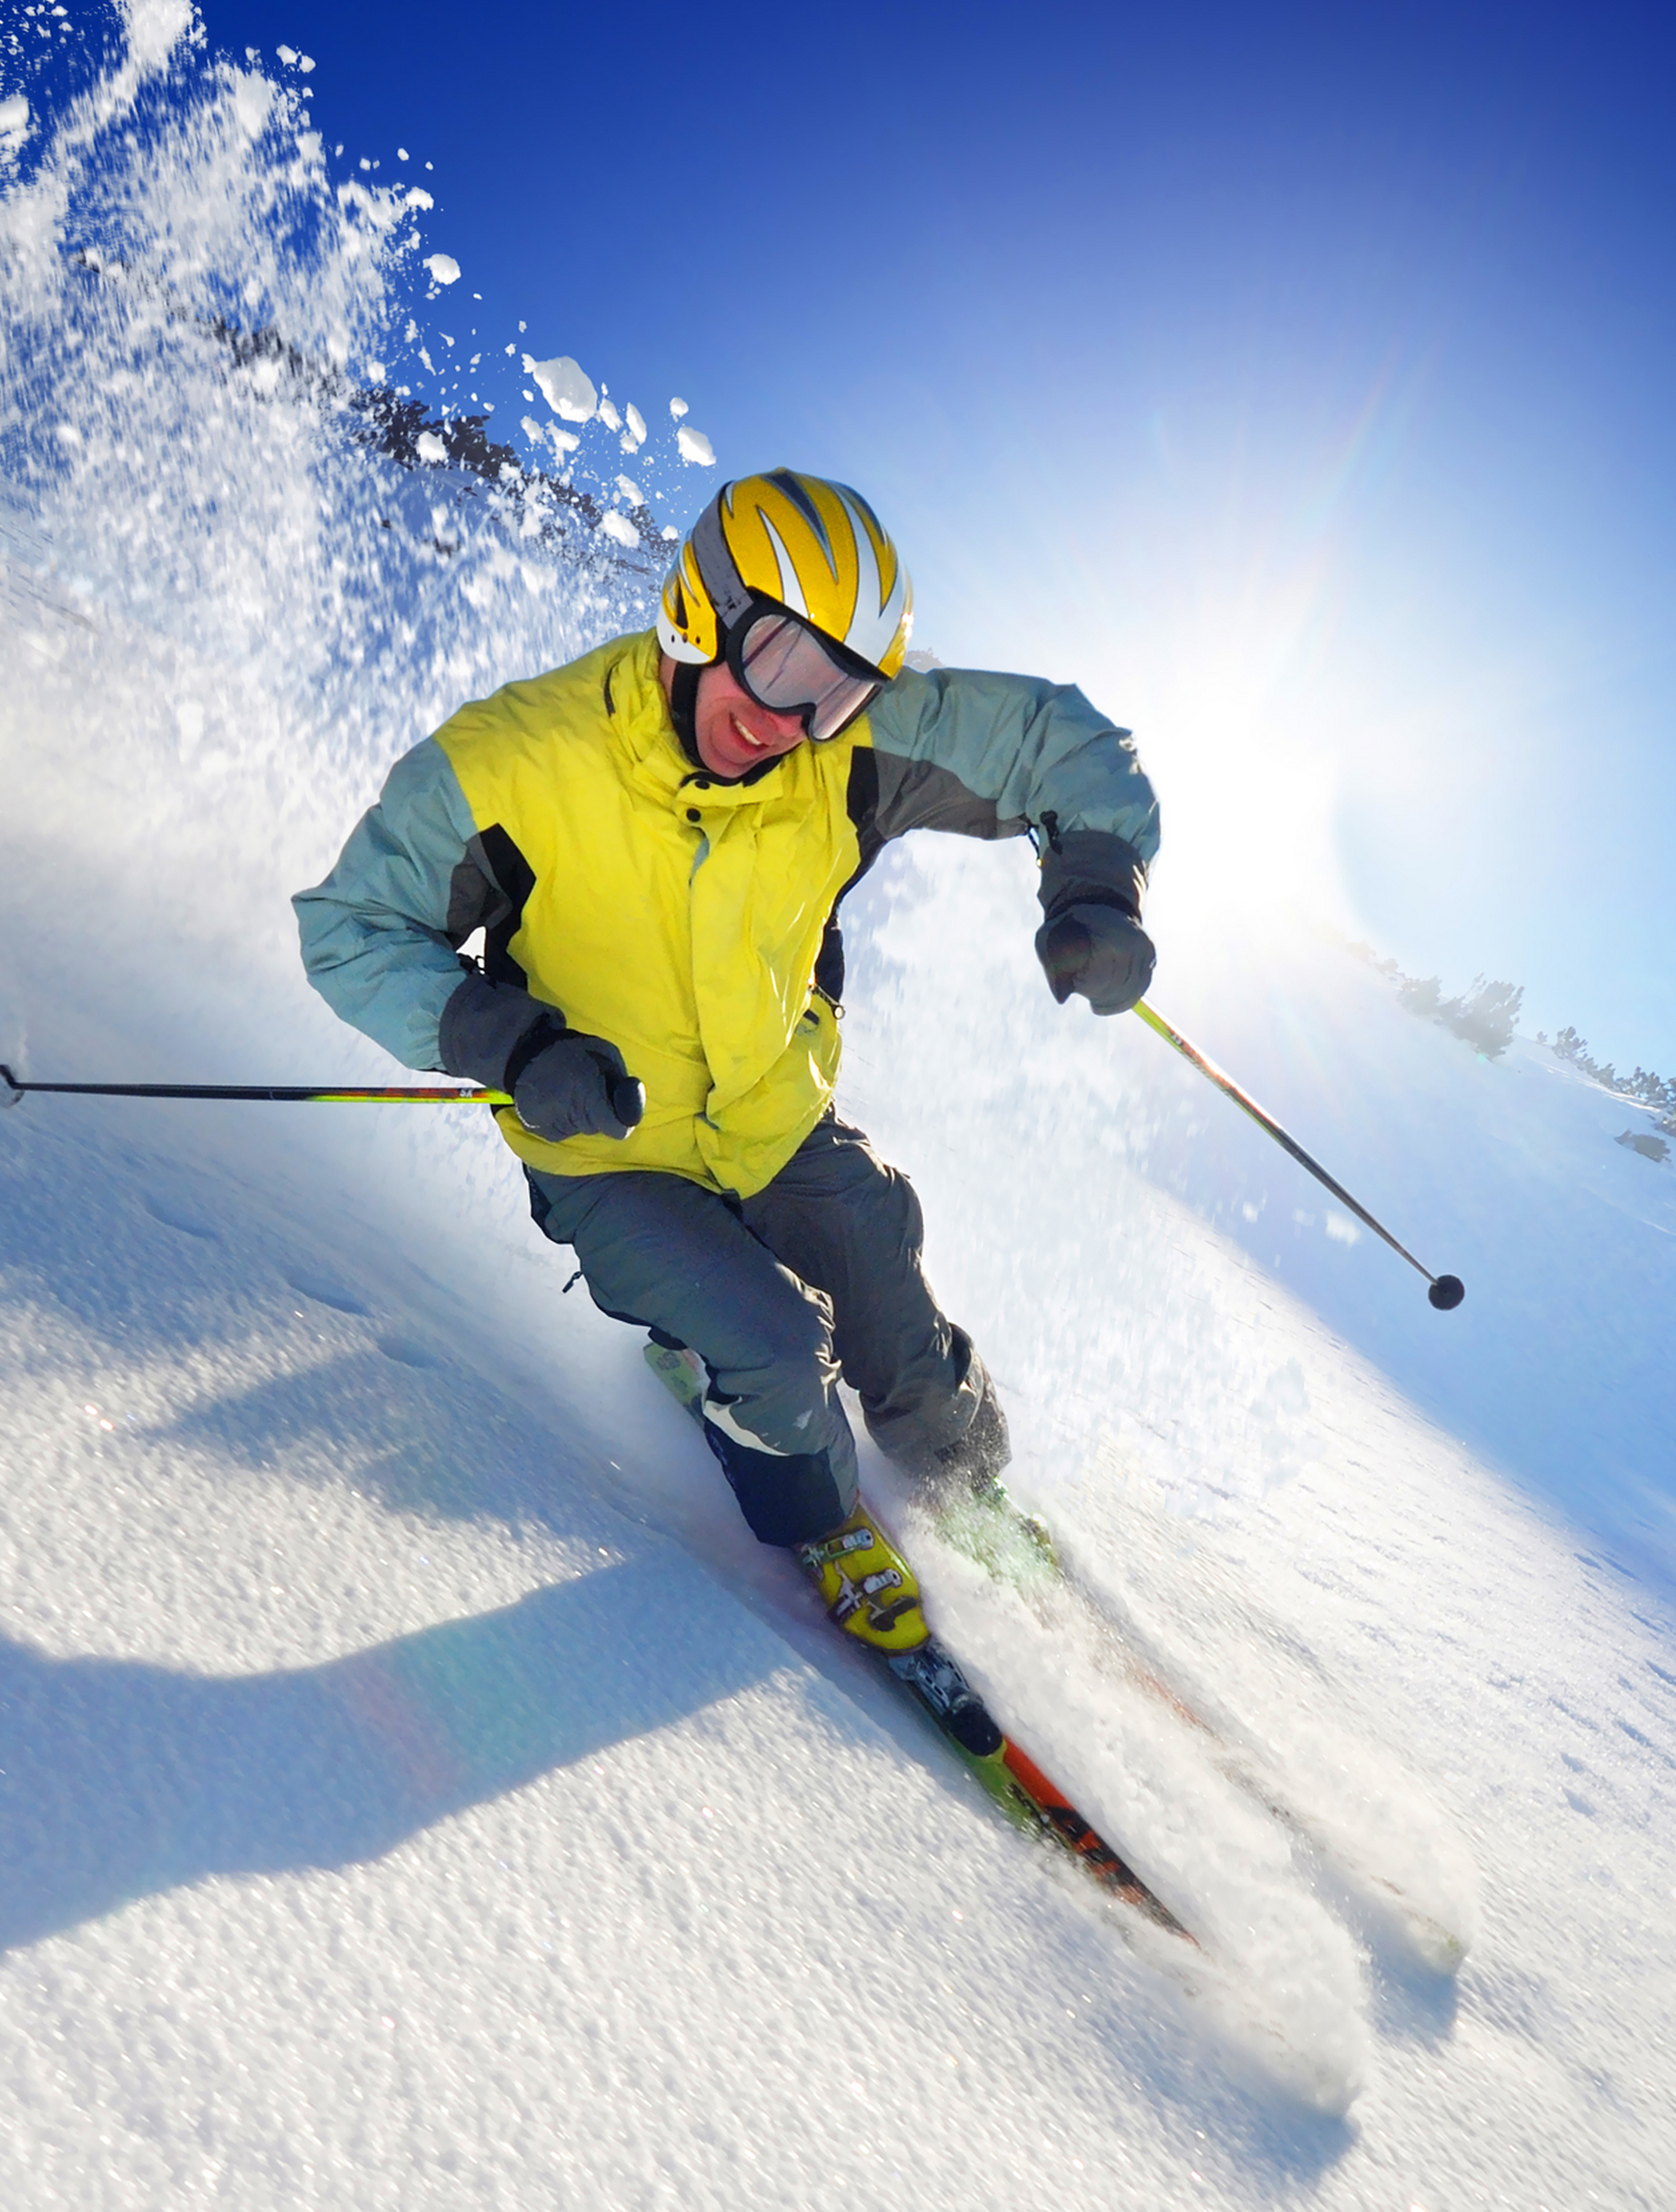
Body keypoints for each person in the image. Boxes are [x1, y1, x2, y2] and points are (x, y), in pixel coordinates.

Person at [295, 470, 1159, 1658]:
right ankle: (819, 1520)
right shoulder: (518, 761)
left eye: (839, 687)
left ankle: (965, 1483)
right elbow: (351, 928)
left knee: (891, 1299)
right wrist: (510, 1042)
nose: (788, 718)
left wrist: (1099, 883)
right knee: (774, 1351)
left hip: (773, 1119)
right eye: (778, 662)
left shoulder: (840, 749)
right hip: (606, 1146)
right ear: (698, 607)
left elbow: (1054, 737)